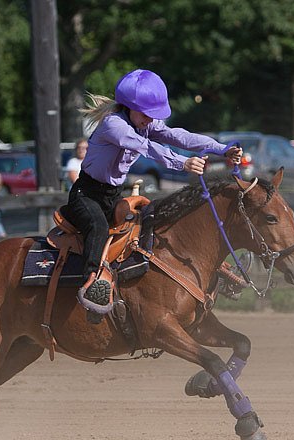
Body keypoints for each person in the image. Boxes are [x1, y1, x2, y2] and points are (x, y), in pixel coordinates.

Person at [61, 68, 242, 314]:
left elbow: (178, 136)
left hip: (112, 196)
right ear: (130, 107)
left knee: (151, 217)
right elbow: (147, 148)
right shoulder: (114, 125)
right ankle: (92, 285)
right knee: (98, 226)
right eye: (147, 114)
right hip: (86, 195)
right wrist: (183, 163)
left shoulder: (142, 122)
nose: (150, 119)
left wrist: (221, 148)